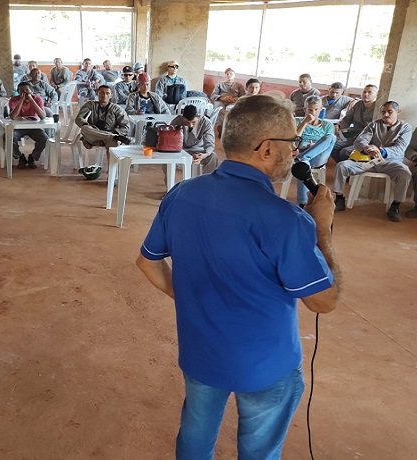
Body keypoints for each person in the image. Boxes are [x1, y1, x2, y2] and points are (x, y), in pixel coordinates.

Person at [135, 94, 340, 459]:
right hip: (266, 363)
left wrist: (193, 299)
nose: (296, 152)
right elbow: (324, 301)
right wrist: (321, 229)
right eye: (292, 143)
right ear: (265, 149)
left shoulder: (182, 194)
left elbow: (148, 262)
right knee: (259, 448)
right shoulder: (286, 220)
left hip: (201, 351)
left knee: (196, 432)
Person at [332, 101, 413, 222]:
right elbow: (360, 141)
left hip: (390, 162)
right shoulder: (374, 125)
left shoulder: (405, 128)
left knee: (405, 173)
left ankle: (395, 206)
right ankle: (339, 198)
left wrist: (381, 150)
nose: (386, 114)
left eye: (390, 111)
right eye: (383, 112)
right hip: (368, 160)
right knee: (342, 166)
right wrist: (367, 149)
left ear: (398, 112)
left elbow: (400, 148)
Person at [294, 95, 336, 208]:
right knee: (303, 165)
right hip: (299, 152)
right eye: (310, 109)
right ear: (305, 109)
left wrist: (315, 146)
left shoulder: (327, 125)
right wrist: (305, 123)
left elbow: (328, 142)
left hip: (318, 156)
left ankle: (304, 158)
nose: (313, 112)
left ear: (321, 110)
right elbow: (293, 139)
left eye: (316, 109)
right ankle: (302, 203)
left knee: (331, 137)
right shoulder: (297, 121)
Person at [332, 84, 378, 162]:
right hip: (353, 132)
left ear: (376, 95)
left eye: (370, 92)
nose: (366, 94)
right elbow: (347, 119)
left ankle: (348, 168)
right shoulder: (358, 104)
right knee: (333, 144)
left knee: (345, 152)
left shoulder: (378, 108)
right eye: (364, 92)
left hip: (368, 137)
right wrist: (338, 125)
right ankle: (340, 164)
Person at [8, 81, 49, 169]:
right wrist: (21, 100)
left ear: (32, 91)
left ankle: (32, 157)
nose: (25, 93)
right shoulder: (14, 100)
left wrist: (31, 100)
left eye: (27, 90)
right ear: (18, 92)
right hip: (18, 128)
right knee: (9, 137)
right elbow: (13, 116)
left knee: (44, 138)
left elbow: (42, 116)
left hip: (33, 127)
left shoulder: (37, 99)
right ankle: (20, 157)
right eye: (21, 91)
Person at [170, 104, 217, 174]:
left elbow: (209, 144)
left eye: (193, 122)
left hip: (198, 149)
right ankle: (170, 182)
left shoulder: (206, 122)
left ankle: (209, 181)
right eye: (187, 122)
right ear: (182, 117)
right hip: (181, 150)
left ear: (199, 117)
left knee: (213, 157)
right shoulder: (176, 121)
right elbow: (171, 141)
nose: (190, 125)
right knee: (169, 158)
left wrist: (205, 154)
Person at [211, 68, 246, 137]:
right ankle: (223, 127)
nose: (229, 75)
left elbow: (243, 97)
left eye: (231, 74)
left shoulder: (239, 85)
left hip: (233, 102)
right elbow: (213, 95)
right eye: (227, 74)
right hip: (221, 101)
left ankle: (227, 128)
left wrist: (234, 99)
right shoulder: (220, 85)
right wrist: (222, 97)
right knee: (220, 108)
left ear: (234, 75)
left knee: (230, 109)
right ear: (225, 75)